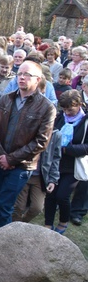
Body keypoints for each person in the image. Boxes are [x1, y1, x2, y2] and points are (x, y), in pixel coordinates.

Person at [0, 61, 56, 233]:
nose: (22, 78)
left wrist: (11, 159)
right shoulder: (6, 99)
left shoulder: (47, 107)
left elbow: (41, 141)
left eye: (27, 75)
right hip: (0, 160)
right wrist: (2, 156)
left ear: (38, 79)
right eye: (20, 74)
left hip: (21, 166)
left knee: (4, 205)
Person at [43, 90, 88, 233]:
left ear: (79, 105)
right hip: (56, 163)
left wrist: (66, 149)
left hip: (74, 166)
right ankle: (48, 223)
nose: (67, 112)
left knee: (62, 196)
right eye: (64, 109)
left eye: (70, 109)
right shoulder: (59, 117)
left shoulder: (85, 121)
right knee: (50, 194)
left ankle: (63, 221)